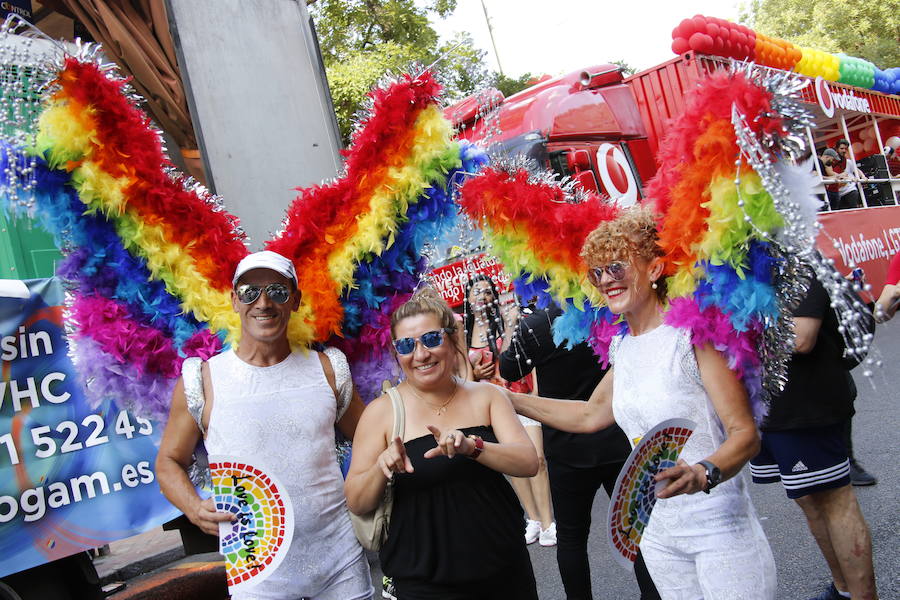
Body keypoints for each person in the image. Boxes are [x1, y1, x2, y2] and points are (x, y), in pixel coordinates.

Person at [506, 206, 776, 599]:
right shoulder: (623, 346)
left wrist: (703, 472)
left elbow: (744, 434)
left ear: (654, 269)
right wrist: (508, 399)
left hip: (718, 528)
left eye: (617, 267)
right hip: (658, 534)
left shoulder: (691, 337)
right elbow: (590, 414)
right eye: (597, 273)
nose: (605, 281)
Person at [156, 251, 373, 600]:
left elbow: (370, 439)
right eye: (249, 292)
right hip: (258, 573)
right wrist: (194, 508)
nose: (264, 302)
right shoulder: (203, 380)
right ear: (234, 301)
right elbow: (168, 461)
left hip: (340, 564)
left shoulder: (329, 368)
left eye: (278, 291)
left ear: (296, 300)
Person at [344, 288, 540, 599]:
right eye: (406, 345)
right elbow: (357, 501)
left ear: (450, 340)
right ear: (396, 353)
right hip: (423, 582)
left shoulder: (486, 396)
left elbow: (528, 462)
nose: (421, 354)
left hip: (503, 569)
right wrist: (381, 467)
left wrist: (473, 447)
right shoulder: (380, 413)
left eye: (431, 339)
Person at [499, 303, 661, 600]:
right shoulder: (605, 309)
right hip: (614, 437)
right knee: (636, 530)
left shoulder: (536, 324)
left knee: (572, 538)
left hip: (568, 443)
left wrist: (514, 326)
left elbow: (509, 369)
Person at [750, 276, 879, 600]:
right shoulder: (733, 260)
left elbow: (802, 336)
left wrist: (732, 333)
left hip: (808, 402)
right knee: (809, 501)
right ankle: (843, 590)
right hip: (767, 406)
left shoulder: (794, 257)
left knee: (835, 500)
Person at [464, 274, 557, 546]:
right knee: (514, 464)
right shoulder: (465, 331)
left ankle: (549, 521)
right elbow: (462, 371)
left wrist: (509, 323)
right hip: (492, 405)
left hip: (521, 396)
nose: (482, 296)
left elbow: (522, 357)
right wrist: (474, 371)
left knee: (537, 459)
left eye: (487, 291)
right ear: (468, 300)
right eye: (476, 292)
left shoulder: (507, 322)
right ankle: (534, 519)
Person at [833, 140, 867, 210]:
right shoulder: (832, 162)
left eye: (845, 149)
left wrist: (863, 176)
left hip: (850, 190)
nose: (844, 151)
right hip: (839, 193)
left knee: (853, 211)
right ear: (836, 149)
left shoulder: (848, 161)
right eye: (842, 148)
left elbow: (856, 170)